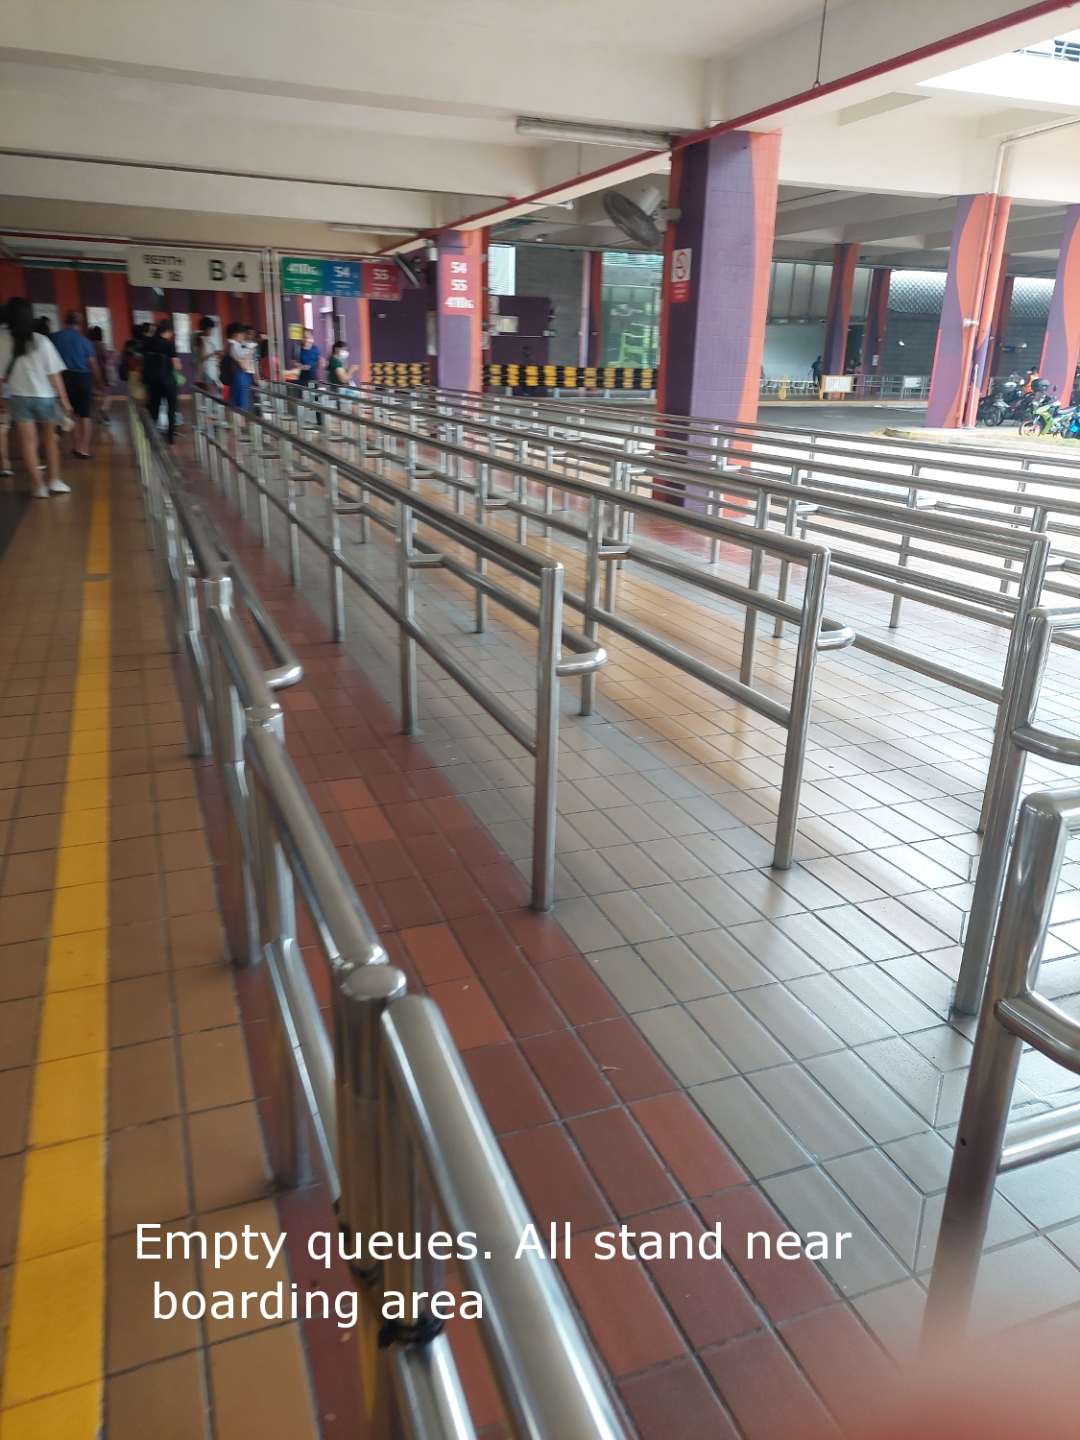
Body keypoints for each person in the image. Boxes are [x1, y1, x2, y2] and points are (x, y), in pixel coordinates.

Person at [0, 296, 75, 498]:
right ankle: (54, 480)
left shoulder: (2, 341)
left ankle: (39, 486)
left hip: (18, 397)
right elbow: (54, 375)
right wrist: (65, 401)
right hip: (44, 397)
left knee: (28, 442)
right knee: (50, 439)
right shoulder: (41, 340)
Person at [51, 311, 102, 459]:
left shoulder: (56, 337)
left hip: (63, 377)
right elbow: (93, 364)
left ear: (65, 320)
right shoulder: (85, 342)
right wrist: (99, 382)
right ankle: (83, 449)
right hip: (82, 377)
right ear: (80, 324)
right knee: (85, 414)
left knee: (70, 411)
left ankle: (75, 444)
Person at [141, 320, 182, 443]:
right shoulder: (169, 345)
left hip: (153, 382)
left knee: (154, 410)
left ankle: (151, 437)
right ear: (168, 331)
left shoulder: (147, 343)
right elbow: (176, 366)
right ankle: (170, 437)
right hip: (167, 381)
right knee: (171, 409)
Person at [88, 325, 113, 425]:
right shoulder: (101, 345)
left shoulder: (89, 345)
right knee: (107, 394)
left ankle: (98, 418)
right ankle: (103, 409)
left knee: (94, 396)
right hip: (101, 372)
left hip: (90, 372)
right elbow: (106, 356)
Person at [228, 325, 256, 411]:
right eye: (243, 335)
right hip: (241, 375)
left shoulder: (236, 345)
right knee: (242, 401)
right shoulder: (234, 346)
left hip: (241, 375)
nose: (243, 337)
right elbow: (243, 365)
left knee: (241, 400)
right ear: (237, 334)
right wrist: (250, 353)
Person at [193, 315, 221, 395]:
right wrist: (213, 353)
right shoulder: (201, 340)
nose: (211, 331)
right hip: (206, 370)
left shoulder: (208, 339)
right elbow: (202, 358)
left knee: (213, 391)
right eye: (210, 329)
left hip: (211, 368)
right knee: (209, 393)